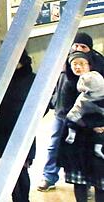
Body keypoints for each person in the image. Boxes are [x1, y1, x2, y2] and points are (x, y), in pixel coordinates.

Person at [40, 31, 104, 192]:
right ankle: (49, 176)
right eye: (76, 45)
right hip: (62, 113)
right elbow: (54, 85)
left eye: (83, 46)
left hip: (87, 118)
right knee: (54, 146)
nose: (79, 48)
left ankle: (88, 180)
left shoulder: (97, 66)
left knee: (88, 149)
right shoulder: (64, 62)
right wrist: (51, 102)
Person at [0, 49, 36, 202]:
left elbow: (43, 104)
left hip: (23, 131)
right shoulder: (4, 80)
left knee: (21, 169)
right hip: (5, 132)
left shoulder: (32, 79)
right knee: (10, 171)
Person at [58, 51, 104, 201]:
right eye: (74, 64)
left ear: (89, 65)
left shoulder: (100, 83)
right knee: (80, 181)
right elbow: (66, 112)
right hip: (78, 139)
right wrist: (91, 125)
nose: (78, 67)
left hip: (99, 139)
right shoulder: (67, 83)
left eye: (82, 63)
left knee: (100, 180)